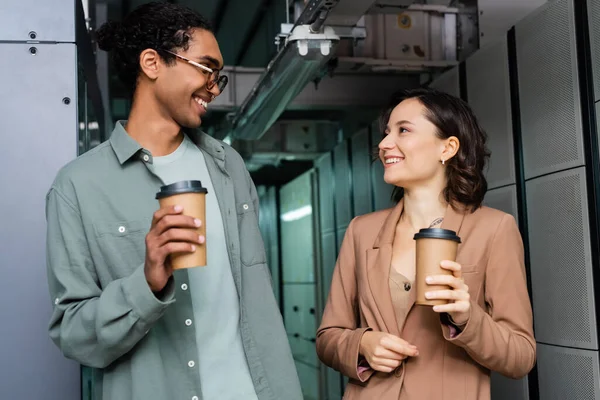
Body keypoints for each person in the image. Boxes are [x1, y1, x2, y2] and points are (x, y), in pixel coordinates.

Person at [45, 2, 302, 400]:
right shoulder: (78, 186)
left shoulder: (228, 166)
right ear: (152, 63)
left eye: (219, 77)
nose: (214, 87)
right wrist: (145, 282)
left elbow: (258, 304)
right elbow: (74, 336)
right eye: (206, 68)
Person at [315, 87, 536, 399]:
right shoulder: (361, 231)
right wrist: (362, 344)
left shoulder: (494, 228)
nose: (384, 144)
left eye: (403, 130)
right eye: (386, 132)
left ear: (447, 148)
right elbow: (328, 338)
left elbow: (521, 357)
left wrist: (467, 318)